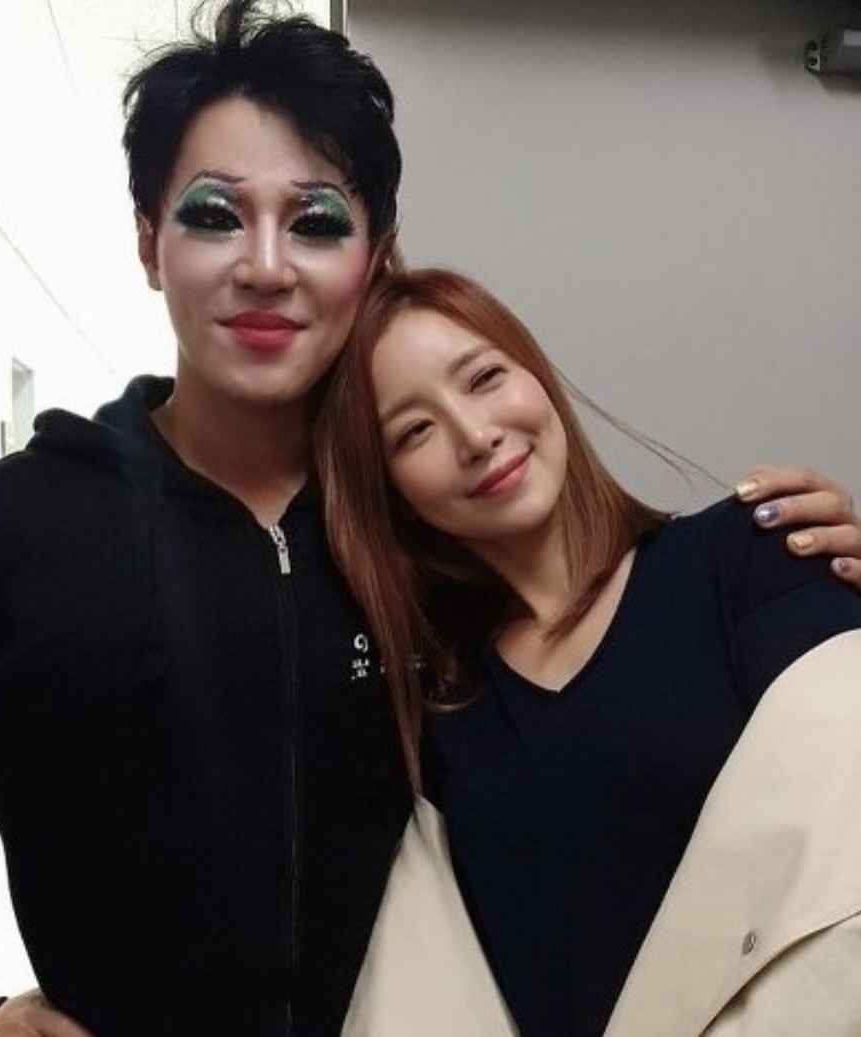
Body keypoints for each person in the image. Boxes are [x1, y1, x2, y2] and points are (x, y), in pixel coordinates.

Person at [0, 3, 857, 1036]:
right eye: (213, 213)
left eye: (317, 220)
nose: (266, 265)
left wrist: (801, 576)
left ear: (374, 255)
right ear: (149, 242)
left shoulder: (425, 541)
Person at [315, 267, 861, 1037]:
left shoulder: (752, 556)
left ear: (536, 375)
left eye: (484, 377)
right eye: (414, 431)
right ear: (393, 493)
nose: (475, 435)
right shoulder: (438, 721)